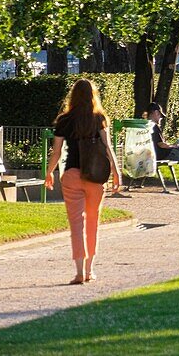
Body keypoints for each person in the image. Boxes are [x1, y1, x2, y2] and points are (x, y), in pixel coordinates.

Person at [44, 79, 122, 285]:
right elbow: (108, 147)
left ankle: (79, 271)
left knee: (76, 225)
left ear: (73, 96)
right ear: (93, 95)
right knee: (93, 222)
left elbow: (57, 152)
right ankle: (90, 269)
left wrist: (49, 172)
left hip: (71, 175)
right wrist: (116, 172)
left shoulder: (64, 120)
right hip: (96, 177)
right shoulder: (99, 119)